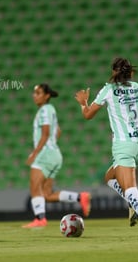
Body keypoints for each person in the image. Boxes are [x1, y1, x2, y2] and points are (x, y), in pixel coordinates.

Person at [75, 57, 138, 238]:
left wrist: (83, 103)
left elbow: (88, 115)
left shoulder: (108, 90)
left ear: (113, 72)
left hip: (124, 146)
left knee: (130, 188)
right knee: (109, 177)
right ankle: (133, 204)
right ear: (131, 73)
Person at [22, 83, 91, 228]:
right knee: (46, 194)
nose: (35, 96)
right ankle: (80, 197)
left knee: (35, 188)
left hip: (45, 154)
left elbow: (46, 133)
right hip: (54, 154)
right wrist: (51, 145)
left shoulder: (44, 110)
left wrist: (35, 153)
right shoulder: (50, 110)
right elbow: (57, 131)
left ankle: (39, 219)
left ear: (47, 96)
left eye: (38, 93)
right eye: (34, 93)